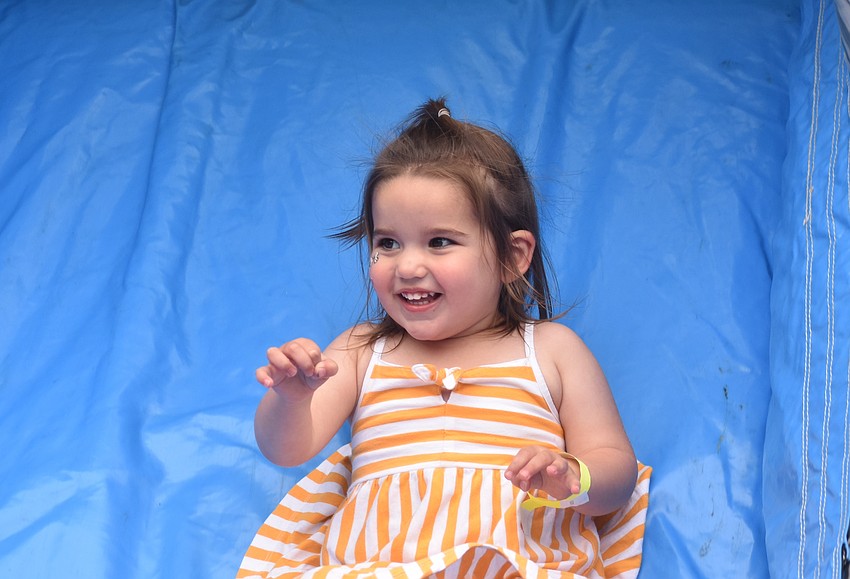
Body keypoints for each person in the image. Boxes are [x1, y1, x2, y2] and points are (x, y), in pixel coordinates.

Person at [237, 98, 650, 579]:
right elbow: (286, 449)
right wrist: (291, 399)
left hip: (513, 562)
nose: (408, 266)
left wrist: (571, 476)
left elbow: (616, 472)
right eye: (387, 242)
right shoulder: (360, 350)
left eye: (440, 242)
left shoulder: (552, 350)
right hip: (380, 565)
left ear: (513, 256)